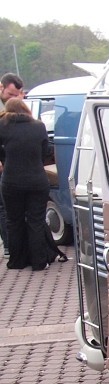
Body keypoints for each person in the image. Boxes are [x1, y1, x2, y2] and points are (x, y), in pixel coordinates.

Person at [0, 96, 63, 271]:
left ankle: (17, 261)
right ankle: (39, 262)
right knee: (36, 220)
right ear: (25, 109)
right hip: (37, 179)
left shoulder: (2, 126)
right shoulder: (38, 126)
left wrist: (6, 160)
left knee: (14, 221)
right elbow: (45, 151)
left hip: (11, 180)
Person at [0, 72, 25, 257]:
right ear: (1, 88)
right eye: (10, 95)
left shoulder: (14, 106)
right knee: (3, 206)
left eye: (16, 96)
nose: (12, 99)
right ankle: (9, 246)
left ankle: (17, 245)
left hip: (12, 163)